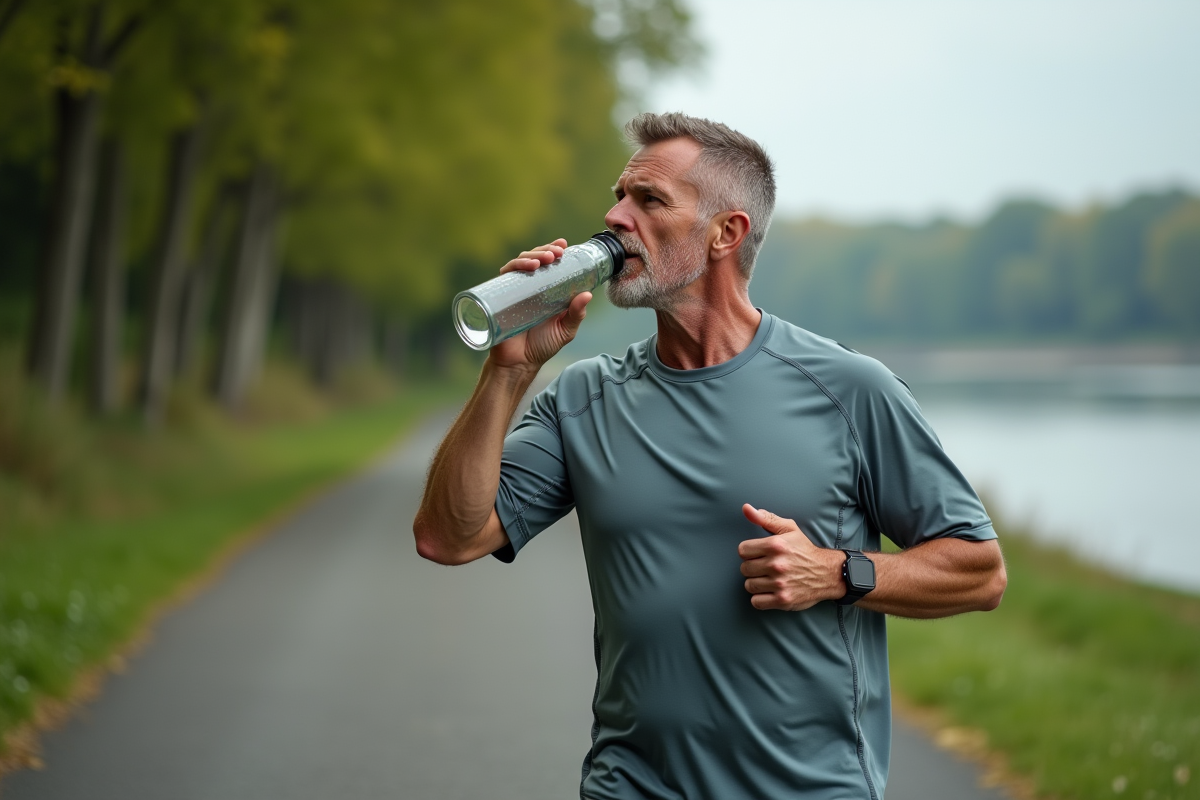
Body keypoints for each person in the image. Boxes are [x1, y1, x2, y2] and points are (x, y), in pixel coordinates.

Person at [413, 112, 1007, 800]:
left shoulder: (849, 389)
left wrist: (838, 573)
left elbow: (979, 571)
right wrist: (507, 371)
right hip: (628, 786)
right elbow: (447, 537)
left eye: (650, 199)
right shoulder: (584, 397)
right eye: (620, 195)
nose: (615, 215)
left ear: (727, 233)